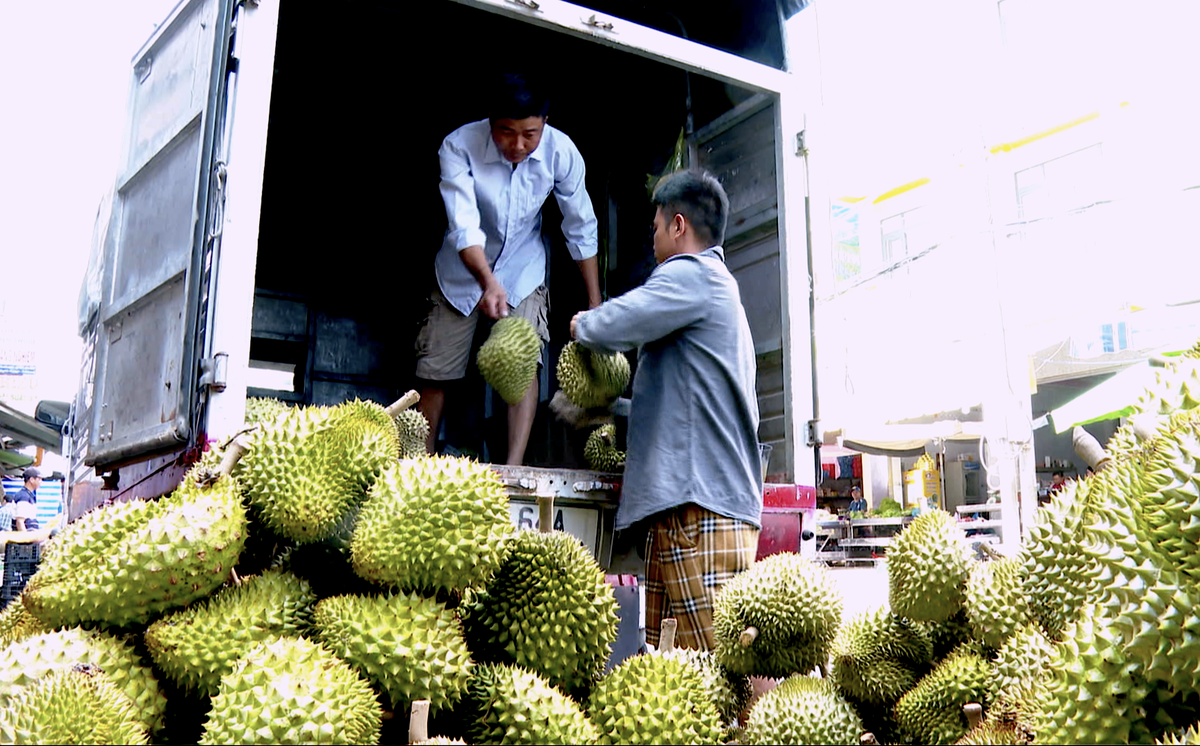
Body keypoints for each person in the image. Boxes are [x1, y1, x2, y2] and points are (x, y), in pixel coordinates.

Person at [570, 169, 761, 651]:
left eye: (656, 228)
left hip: (698, 508)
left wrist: (583, 326)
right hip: (691, 507)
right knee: (670, 673)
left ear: (679, 226)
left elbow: (625, 320)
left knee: (722, 667)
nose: (653, 240)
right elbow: (683, 408)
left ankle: (756, 727)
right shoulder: (716, 294)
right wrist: (609, 407)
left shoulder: (694, 274)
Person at [415, 73, 601, 465]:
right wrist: (486, 281)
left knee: (522, 365)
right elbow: (463, 224)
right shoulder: (458, 146)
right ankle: (419, 464)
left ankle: (512, 470)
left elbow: (581, 226)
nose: (518, 145)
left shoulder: (561, 153)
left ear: (545, 123)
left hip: (522, 268)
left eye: (529, 134)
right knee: (435, 373)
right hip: (460, 273)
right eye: (506, 132)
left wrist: (596, 303)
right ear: (489, 120)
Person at [10, 467, 41, 531]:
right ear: (32, 480)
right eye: (39, 479)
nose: (41, 482)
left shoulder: (28, 495)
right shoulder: (24, 497)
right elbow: (20, 522)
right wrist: (25, 539)